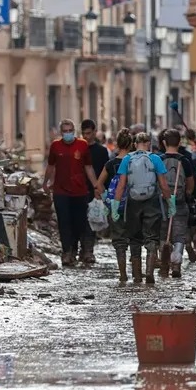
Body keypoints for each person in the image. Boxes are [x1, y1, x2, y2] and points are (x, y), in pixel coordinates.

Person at [112, 132, 172, 284]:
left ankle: (137, 276)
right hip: (152, 201)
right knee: (152, 237)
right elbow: (164, 185)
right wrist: (170, 203)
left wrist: (115, 206)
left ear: (135, 144)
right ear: (149, 143)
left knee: (134, 238)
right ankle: (150, 272)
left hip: (133, 202)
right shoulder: (155, 158)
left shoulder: (127, 159)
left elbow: (121, 185)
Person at [45, 119, 100, 267]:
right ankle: (67, 252)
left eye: (70, 131)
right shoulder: (55, 146)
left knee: (79, 223)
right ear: (61, 132)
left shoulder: (82, 145)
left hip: (79, 191)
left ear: (74, 131)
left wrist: (96, 185)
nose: (68, 134)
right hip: (60, 190)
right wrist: (45, 182)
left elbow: (88, 167)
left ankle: (76, 249)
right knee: (64, 222)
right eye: (65, 131)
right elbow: (50, 166)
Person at [95, 128, 133, 282]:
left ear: (117, 144)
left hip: (115, 207)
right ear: (131, 144)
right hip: (133, 206)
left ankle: (123, 273)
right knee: (135, 240)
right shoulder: (133, 162)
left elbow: (99, 184)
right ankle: (138, 274)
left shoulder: (110, 164)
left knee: (119, 240)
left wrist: (106, 199)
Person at [159, 129, 195, 278]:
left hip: (161, 202)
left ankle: (164, 264)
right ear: (179, 142)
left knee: (162, 233)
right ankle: (177, 264)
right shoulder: (184, 160)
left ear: (163, 143)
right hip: (179, 201)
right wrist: (187, 194)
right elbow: (191, 184)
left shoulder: (158, 160)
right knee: (179, 234)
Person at [77, 119, 109, 265]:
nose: (86, 136)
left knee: (92, 220)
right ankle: (80, 249)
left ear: (95, 132)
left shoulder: (101, 151)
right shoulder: (78, 149)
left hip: (94, 190)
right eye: (84, 133)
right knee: (79, 220)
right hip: (78, 189)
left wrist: (102, 190)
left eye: (89, 133)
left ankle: (88, 250)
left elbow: (105, 171)